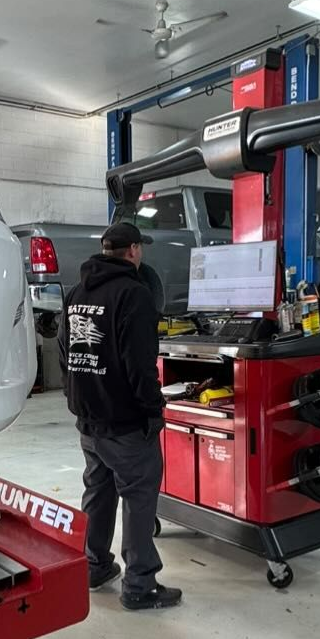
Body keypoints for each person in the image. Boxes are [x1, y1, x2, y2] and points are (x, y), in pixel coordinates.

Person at [58, 221, 181, 611]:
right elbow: (140, 366)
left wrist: (78, 400)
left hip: (89, 419)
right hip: (125, 421)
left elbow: (65, 353)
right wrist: (152, 410)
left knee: (98, 489)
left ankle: (94, 565)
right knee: (139, 496)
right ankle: (140, 584)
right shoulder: (134, 294)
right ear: (132, 251)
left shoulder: (77, 292)